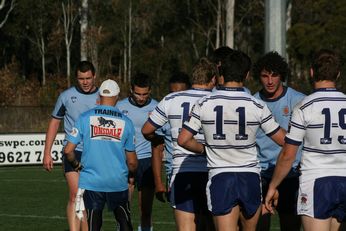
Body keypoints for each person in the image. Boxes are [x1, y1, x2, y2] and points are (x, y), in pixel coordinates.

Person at [177, 50, 285, 231]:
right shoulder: (256, 104)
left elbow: (183, 140)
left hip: (221, 176)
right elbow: (284, 140)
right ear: (247, 74)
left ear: (220, 73)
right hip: (250, 176)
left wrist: (204, 149)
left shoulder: (205, 103)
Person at [265, 49, 346, 231]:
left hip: (317, 182)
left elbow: (288, 154)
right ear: (338, 74)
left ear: (311, 72)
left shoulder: (304, 106)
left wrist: (273, 186)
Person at [142, 57, 217, 231]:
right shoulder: (218, 99)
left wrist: (156, 139)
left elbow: (146, 130)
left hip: (182, 171)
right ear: (213, 78)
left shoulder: (171, 99)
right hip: (213, 171)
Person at [63, 79, 138, 231]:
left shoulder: (85, 118)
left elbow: (68, 151)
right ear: (117, 96)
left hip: (92, 182)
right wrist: (131, 174)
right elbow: (132, 162)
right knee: (124, 221)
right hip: (117, 180)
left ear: (100, 95)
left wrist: (76, 165)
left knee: (93, 224)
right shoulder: (126, 122)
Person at [43, 61, 99, 231]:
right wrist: (47, 153)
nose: (85, 82)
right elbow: (54, 123)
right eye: (81, 78)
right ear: (76, 78)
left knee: (90, 199)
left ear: (94, 76)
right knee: (76, 195)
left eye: (88, 78)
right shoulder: (66, 96)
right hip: (73, 152)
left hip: (96, 153)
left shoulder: (104, 97)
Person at [252, 51, 305, 231]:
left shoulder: (299, 101)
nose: (270, 81)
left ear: (281, 75)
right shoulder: (253, 102)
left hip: (291, 175)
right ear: (258, 76)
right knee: (260, 226)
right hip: (262, 175)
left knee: (290, 226)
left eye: (274, 75)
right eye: (265, 75)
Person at [117, 73, 158, 231]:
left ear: (150, 91)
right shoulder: (120, 107)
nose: (141, 98)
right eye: (138, 94)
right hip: (126, 160)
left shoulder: (157, 106)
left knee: (146, 210)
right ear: (130, 91)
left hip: (148, 162)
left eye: (145, 94)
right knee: (123, 209)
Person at [151, 72, 191, 202]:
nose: (175, 98)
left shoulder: (200, 111)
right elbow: (157, 147)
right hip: (173, 174)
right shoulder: (165, 114)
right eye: (171, 93)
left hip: (200, 170)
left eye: (179, 94)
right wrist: (158, 182)